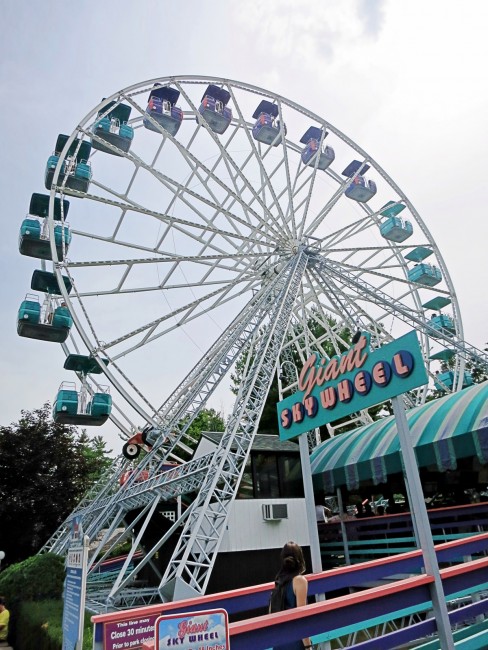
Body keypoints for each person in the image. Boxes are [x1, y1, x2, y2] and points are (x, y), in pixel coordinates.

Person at [272, 542, 312, 650]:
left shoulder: (279, 581)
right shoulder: (300, 581)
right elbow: (301, 617)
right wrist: (308, 646)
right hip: (295, 640)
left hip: (279, 641)